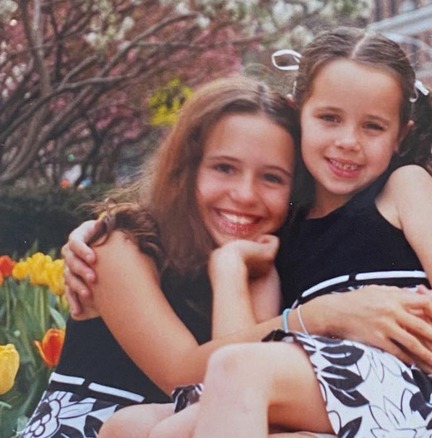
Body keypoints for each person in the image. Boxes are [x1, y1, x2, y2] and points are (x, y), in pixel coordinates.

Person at [65, 8, 432, 437]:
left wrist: (415, 338)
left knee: (231, 379)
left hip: (398, 401)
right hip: (321, 398)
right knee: (128, 429)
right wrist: (107, 238)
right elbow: (243, 303)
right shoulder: (429, 199)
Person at [67, 27, 432, 437]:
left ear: (400, 135)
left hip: (399, 381)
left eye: (372, 127)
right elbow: (236, 348)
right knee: (130, 426)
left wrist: (386, 316)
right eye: (329, 118)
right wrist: (230, 265)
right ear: (297, 114)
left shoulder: (404, 187)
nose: (347, 141)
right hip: (310, 384)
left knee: (229, 379)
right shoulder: (285, 228)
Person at [19, 76, 300, 437]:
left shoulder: (264, 262)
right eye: (224, 168)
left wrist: (236, 268)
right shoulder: (121, 245)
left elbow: (249, 390)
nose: (245, 194)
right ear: (186, 168)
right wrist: (307, 318)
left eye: (272, 178)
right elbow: (188, 379)